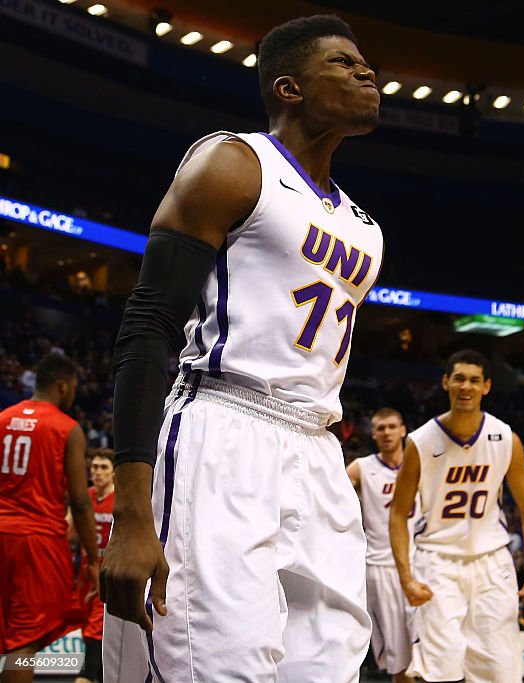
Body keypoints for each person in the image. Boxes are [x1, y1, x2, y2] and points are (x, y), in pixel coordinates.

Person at [99, 14, 382, 682]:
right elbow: (147, 326)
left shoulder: (366, 230)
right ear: (288, 87)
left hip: (317, 448)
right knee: (215, 665)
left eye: (364, 62)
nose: (366, 72)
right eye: (343, 63)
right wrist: (131, 513)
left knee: (325, 670)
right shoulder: (233, 162)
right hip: (223, 426)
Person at [389, 350, 524, 682]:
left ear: (486, 386)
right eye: (459, 378)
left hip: (492, 561)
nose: (466, 386)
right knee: (440, 669)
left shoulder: (506, 438)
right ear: (446, 383)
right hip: (437, 561)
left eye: (475, 380)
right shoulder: (419, 442)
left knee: (501, 670)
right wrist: (406, 578)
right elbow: (399, 513)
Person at [0, 353, 98, 683]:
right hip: (36, 541)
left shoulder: (2, 419)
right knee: (24, 641)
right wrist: (94, 558)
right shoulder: (66, 428)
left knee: (8, 633)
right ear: (62, 385)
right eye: (73, 387)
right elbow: (81, 503)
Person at [346, 408, 416, 683]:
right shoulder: (362, 467)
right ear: (373, 434)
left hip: (421, 562)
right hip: (381, 566)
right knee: (399, 659)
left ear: (403, 430)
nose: (386, 432)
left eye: (391, 427)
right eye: (381, 428)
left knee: (434, 649)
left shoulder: (419, 463)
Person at [74, 449, 115, 683]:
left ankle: (86, 676)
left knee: (94, 634)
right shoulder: (85, 498)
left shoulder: (120, 499)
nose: (97, 473)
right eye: (94, 468)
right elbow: (67, 531)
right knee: (88, 632)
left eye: (103, 468)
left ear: (113, 474)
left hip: (106, 577)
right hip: (85, 575)